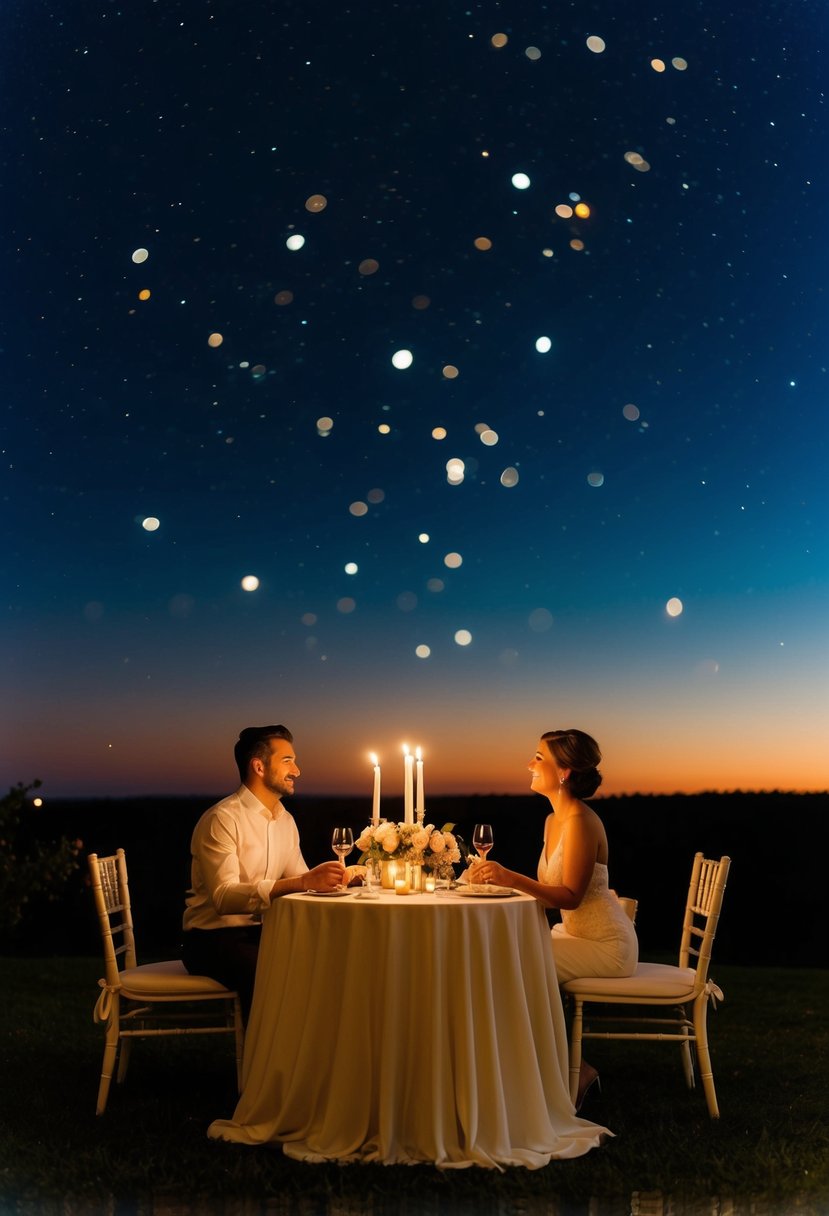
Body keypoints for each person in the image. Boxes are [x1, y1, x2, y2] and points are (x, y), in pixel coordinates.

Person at [469, 728, 637, 1109]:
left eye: (539, 757)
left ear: (563, 772)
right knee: (499, 959)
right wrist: (497, 885)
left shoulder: (580, 821)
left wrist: (509, 878)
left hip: (606, 946)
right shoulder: (552, 820)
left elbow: (571, 897)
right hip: (574, 935)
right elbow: (546, 893)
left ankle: (570, 1072)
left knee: (508, 966)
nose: (530, 763)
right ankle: (534, 1072)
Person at [181, 724, 344, 1020]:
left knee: (330, 964)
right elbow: (223, 898)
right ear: (258, 766)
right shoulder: (222, 819)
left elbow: (303, 882)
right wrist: (304, 881)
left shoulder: (285, 820)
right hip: (212, 939)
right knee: (275, 976)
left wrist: (341, 879)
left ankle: (309, 1059)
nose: (297, 770)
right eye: (287, 761)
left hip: (263, 933)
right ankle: (265, 1064)